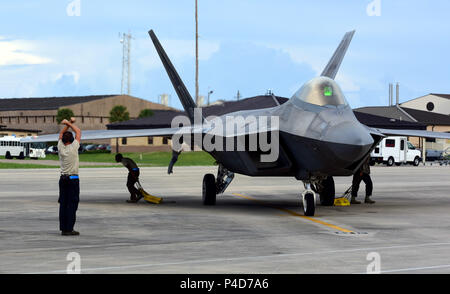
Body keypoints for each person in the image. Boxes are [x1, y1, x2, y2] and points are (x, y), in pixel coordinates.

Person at [58, 117, 82, 236]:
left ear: (62, 140)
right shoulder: (74, 148)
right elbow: (78, 132)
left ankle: (63, 228)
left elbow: (61, 133)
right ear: (72, 140)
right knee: (72, 205)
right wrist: (69, 123)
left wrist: (68, 124)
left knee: (63, 204)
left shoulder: (60, 147)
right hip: (72, 180)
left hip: (62, 180)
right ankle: (69, 229)